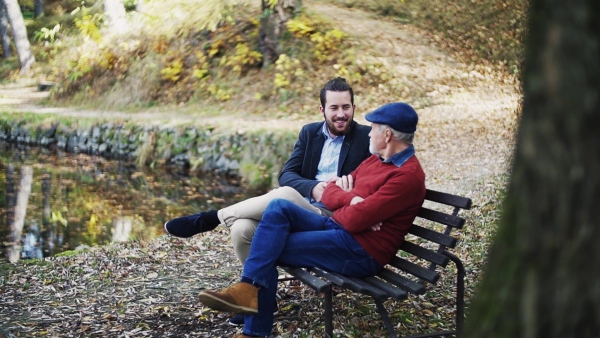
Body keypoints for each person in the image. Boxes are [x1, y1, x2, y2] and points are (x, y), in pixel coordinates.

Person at [196, 102, 426, 338]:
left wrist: (355, 209)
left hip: (361, 251)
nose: (369, 132)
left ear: (387, 135)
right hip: (339, 229)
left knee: (267, 245)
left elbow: (355, 220)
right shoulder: (376, 159)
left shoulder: (406, 177)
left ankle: (254, 326)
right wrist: (355, 201)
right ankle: (247, 293)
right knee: (278, 207)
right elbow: (331, 189)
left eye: (374, 127)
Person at [164, 77, 371, 325]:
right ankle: (263, 299)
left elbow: (373, 185)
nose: (341, 114)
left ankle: (211, 218)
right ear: (322, 110)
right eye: (334, 108)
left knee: (283, 196)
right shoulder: (310, 133)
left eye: (346, 107)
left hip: (330, 219)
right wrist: (313, 187)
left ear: (354, 108)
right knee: (242, 229)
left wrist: (347, 190)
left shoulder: (366, 138)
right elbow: (287, 175)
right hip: (298, 209)